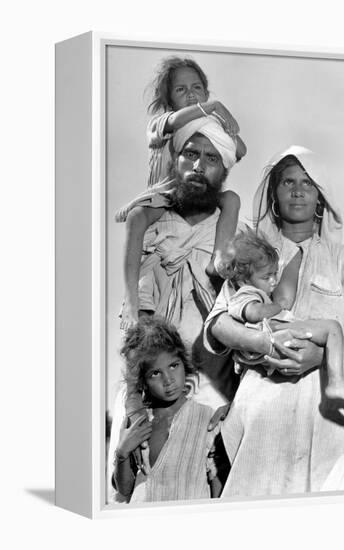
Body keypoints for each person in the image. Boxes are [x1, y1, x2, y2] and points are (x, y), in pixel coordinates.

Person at [204, 145, 344, 497]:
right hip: (263, 410)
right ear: (273, 194)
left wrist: (325, 356)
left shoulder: (343, 259)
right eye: (287, 182)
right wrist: (264, 343)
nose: (298, 190)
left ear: (320, 197)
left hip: (326, 413)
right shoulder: (250, 253)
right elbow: (219, 323)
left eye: (308, 183)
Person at [107, 119, 242, 502]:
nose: (199, 166)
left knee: (220, 482)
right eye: (191, 154)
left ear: (224, 170)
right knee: (132, 479)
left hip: (212, 379)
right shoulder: (151, 222)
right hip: (150, 383)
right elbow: (134, 315)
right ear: (176, 160)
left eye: (211, 158)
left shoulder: (231, 229)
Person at [116, 57, 247, 325]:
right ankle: (132, 299)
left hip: (199, 192)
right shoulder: (163, 121)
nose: (191, 95)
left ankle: (219, 257)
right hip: (165, 196)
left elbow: (240, 150)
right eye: (181, 90)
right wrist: (212, 107)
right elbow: (175, 121)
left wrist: (225, 128)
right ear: (168, 99)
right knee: (138, 217)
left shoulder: (207, 126)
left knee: (231, 198)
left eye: (197, 88)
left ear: (205, 90)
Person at [217, 230, 344, 404]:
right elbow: (253, 313)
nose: (274, 281)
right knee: (333, 328)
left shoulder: (252, 290)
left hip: (278, 333)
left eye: (275, 274)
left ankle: (343, 377)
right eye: (267, 277)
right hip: (276, 330)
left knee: (333, 335)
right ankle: (337, 381)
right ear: (243, 279)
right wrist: (277, 307)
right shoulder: (245, 293)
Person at [113, 316, 222, 503]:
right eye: (155, 373)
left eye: (173, 366)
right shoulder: (138, 424)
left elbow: (216, 483)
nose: (168, 379)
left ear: (184, 363)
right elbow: (125, 488)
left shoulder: (206, 418)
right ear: (143, 381)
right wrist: (122, 453)